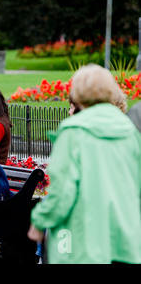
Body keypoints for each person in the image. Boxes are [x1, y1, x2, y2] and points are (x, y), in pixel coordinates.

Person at [28, 64, 141, 264]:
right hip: (124, 236)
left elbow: (62, 190)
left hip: (82, 239)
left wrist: (39, 222)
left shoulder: (73, 130)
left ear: (78, 94)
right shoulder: (129, 130)